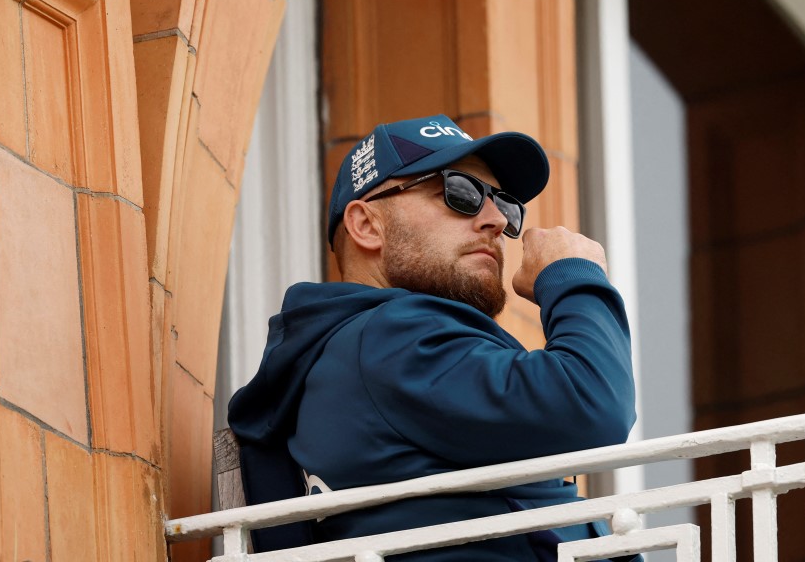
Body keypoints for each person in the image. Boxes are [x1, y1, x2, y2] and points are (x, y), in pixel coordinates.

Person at [227, 114, 637, 560]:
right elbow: (592, 401)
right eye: (460, 192)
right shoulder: (392, 335)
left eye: (505, 204)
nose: (496, 220)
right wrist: (572, 276)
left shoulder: (371, 347)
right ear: (366, 225)